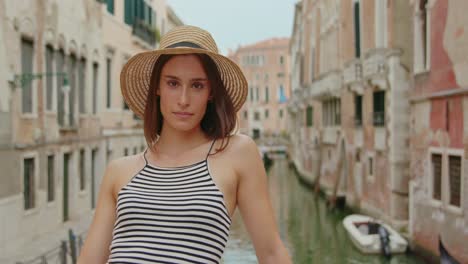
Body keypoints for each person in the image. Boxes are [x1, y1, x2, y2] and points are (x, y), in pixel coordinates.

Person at [78, 25, 292, 264]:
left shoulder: (237, 153)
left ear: (211, 91)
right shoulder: (119, 171)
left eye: (197, 85)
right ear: (157, 87)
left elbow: (272, 252)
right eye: (173, 83)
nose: (183, 100)